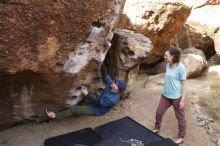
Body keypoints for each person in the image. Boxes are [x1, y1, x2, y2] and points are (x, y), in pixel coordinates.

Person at [46, 66, 126, 122]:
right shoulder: (111, 85)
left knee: (75, 109)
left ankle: (54, 116)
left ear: (117, 88)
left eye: (115, 82)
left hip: (97, 110)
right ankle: (77, 111)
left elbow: (98, 104)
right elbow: (105, 74)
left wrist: (87, 94)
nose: (113, 81)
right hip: (99, 100)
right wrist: (102, 57)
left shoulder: (112, 99)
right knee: (85, 99)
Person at [153, 48, 186, 144]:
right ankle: (157, 128)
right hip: (165, 95)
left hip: (176, 97)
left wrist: (182, 100)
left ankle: (181, 137)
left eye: (166, 56)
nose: (164, 57)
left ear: (173, 56)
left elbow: (184, 85)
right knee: (159, 112)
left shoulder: (181, 67)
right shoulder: (167, 65)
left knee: (180, 117)